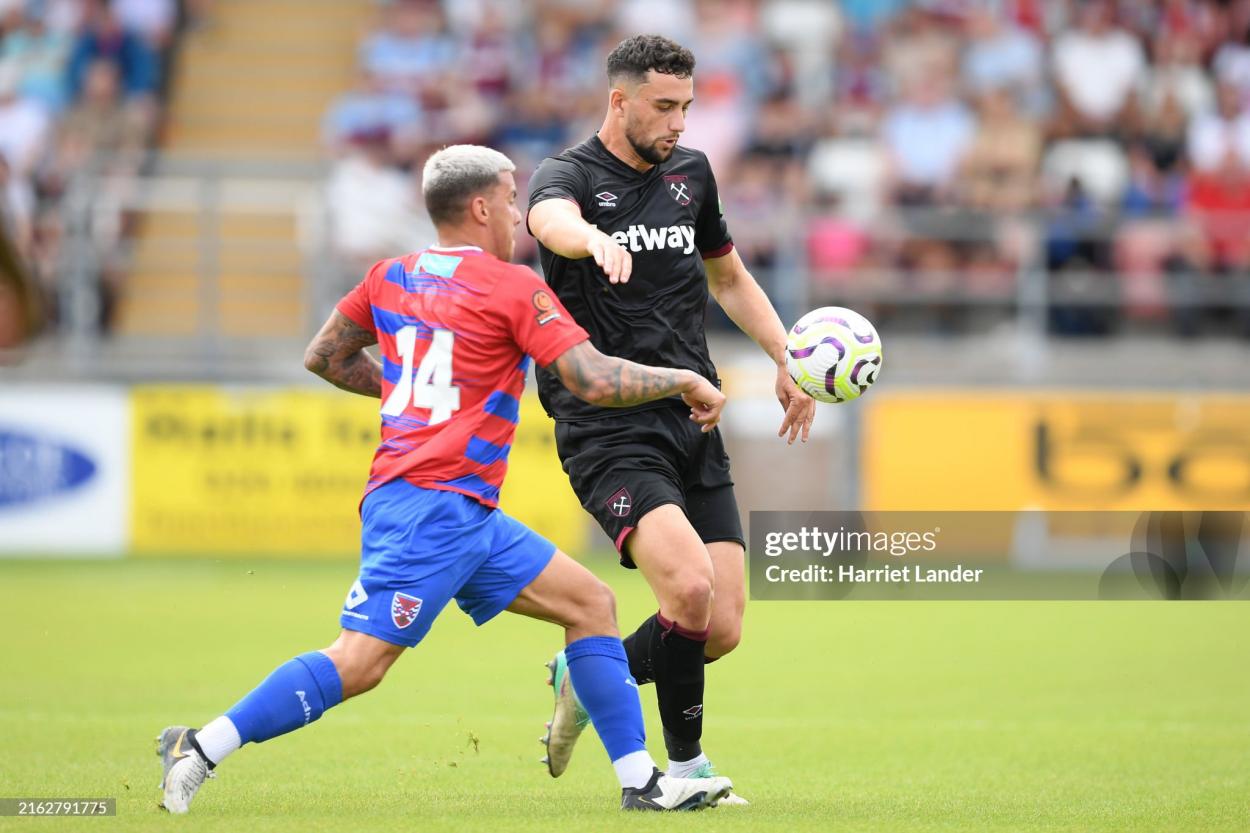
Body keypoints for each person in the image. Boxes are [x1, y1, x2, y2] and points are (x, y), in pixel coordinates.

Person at [155, 144, 736, 814]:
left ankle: (642, 781)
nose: (519, 213)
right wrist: (683, 379)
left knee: (591, 604)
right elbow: (592, 377)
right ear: (481, 205)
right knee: (359, 662)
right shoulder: (514, 285)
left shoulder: (391, 277)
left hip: (466, 512)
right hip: (429, 508)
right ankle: (198, 746)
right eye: (512, 198)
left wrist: (405, 393)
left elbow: (324, 355)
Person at [526, 35, 816, 802]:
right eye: (663, 107)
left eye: (686, 106)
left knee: (719, 626)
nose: (679, 123)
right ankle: (681, 772)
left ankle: (586, 672)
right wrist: (590, 238)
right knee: (688, 591)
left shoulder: (692, 173)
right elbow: (549, 220)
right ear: (619, 101)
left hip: (696, 415)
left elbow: (728, 276)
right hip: (609, 425)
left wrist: (787, 355)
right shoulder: (571, 176)